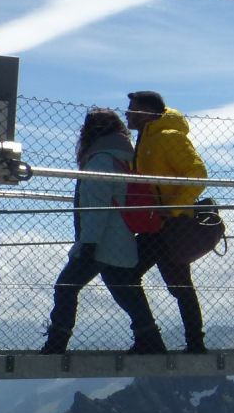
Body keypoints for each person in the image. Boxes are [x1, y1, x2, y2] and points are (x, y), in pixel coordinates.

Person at [41, 108, 166, 354]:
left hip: (101, 241)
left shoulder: (99, 160)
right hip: (122, 238)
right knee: (124, 288)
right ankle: (150, 339)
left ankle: (57, 342)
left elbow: (98, 207)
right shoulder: (125, 158)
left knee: (66, 287)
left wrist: (88, 243)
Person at [126, 89, 210, 353]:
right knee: (178, 285)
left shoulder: (166, 136)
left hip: (170, 224)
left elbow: (198, 173)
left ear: (148, 112)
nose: (127, 113)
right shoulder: (147, 138)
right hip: (159, 224)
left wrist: (173, 209)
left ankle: (153, 338)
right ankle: (190, 343)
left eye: (133, 108)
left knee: (133, 276)